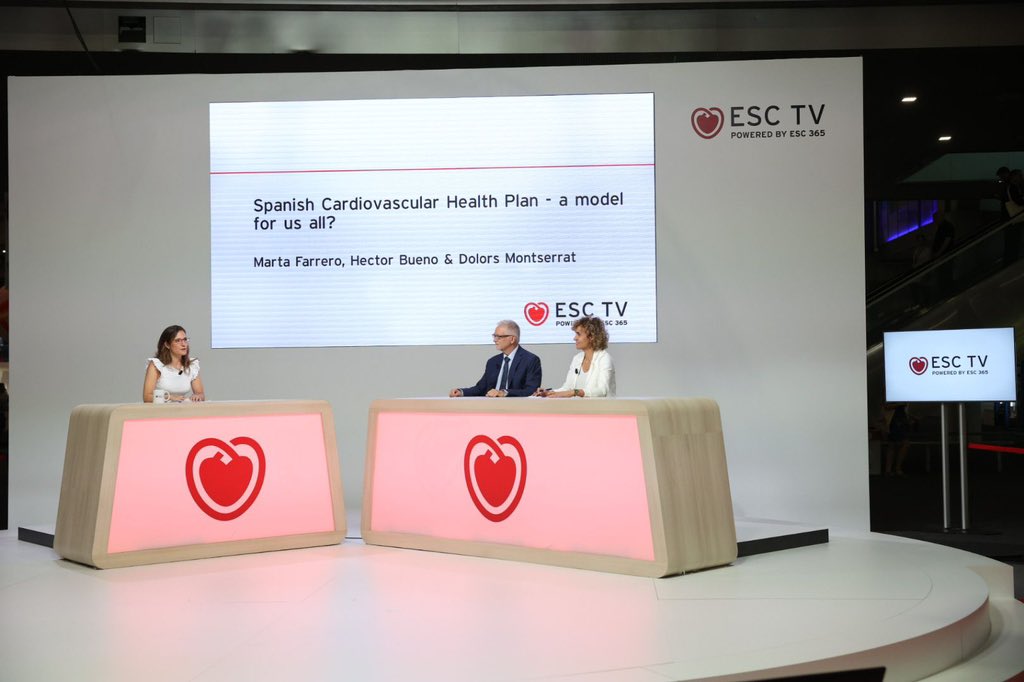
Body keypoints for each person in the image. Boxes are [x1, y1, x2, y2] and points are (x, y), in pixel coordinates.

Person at [450, 320, 542, 398]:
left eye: (499, 337)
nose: (495, 340)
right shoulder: (493, 362)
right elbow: (481, 388)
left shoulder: (530, 360)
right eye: (494, 336)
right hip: (491, 406)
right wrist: (461, 392)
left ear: (512, 339)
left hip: (517, 408)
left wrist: (504, 393)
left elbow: (531, 390)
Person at [535, 316, 615, 398]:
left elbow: (602, 390)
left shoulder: (604, 359)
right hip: (577, 406)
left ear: (591, 337)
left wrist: (575, 392)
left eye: (578, 334)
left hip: (601, 406)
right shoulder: (577, 358)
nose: (575, 338)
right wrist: (548, 392)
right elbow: (567, 388)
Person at [143, 325, 206, 402]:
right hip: (161, 409)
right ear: (167, 345)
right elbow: (147, 397)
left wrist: (198, 396)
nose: (183, 344)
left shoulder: (191, 365)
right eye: (178, 340)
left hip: (182, 408)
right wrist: (170, 397)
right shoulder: (156, 365)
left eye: (185, 339)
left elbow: (200, 394)